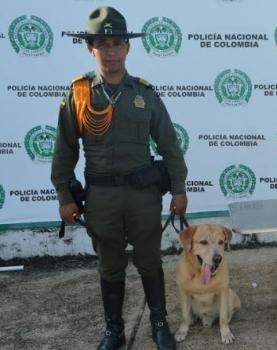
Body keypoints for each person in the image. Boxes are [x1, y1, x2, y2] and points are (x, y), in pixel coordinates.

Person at [51, 6, 187, 350]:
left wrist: (179, 189)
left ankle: (159, 325)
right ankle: (114, 330)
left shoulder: (145, 94)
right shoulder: (79, 94)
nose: (110, 50)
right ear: (90, 48)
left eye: (117, 43)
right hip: (101, 198)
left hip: (143, 196)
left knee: (149, 261)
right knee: (109, 266)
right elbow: (65, 150)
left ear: (127, 48)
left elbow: (170, 145)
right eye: (102, 43)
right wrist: (65, 196)